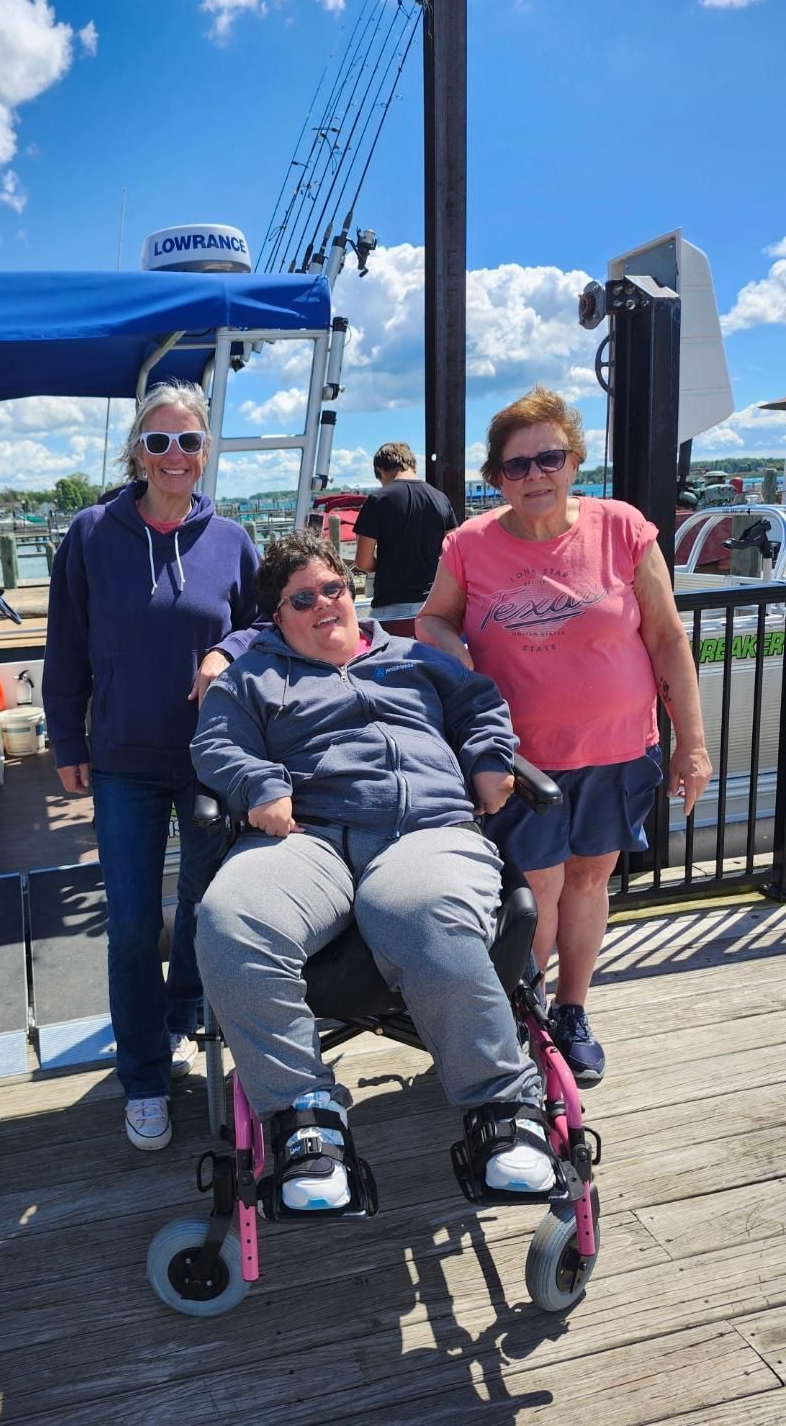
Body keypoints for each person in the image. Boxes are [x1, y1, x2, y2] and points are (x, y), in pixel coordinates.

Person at [192, 530, 555, 1214]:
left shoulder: (416, 659)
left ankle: (505, 1110)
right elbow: (216, 743)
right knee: (228, 918)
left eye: (335, 588)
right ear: (279, 617)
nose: (326, 604)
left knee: (414, 908)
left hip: (425, 829)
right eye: (304, 598)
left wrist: (488, 755)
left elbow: (480, 704)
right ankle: (307, 1120)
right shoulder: (251, 678)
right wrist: (259, 784)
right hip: (310, 836)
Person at [415, 386, 712, 1084]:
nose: (534, 476)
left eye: (548, 458)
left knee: (588, 879)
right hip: (524, 763)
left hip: (619, 748)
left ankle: (571, 1012)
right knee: (538, 890)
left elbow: (667, 637)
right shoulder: (469, 546)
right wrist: (449, 651)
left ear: (573, 461)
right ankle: (528, 1011)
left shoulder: (623, 529)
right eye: (516, 467)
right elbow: (431, 620)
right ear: (496, 480)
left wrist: (691, 743)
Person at [43, 381, 263, 1152]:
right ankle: (142, 1075)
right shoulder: (92, 533)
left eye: (190, 442)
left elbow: (262, 629)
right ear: (137, 449)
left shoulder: (233, 540)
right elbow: (64, 645)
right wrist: (66, 740)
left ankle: (178, 1023)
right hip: (124, 764)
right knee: (134, 925)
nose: (176, 456)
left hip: (212, 760)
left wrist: (222, 649)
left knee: (206, 916)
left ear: (206, 452)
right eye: (160, 442)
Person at [353, 441, 457, 636]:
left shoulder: (377, 500)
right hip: (434, 606)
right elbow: (452, 553)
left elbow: (362, 561)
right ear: (412, 465)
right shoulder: (440, 498)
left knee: (392, 665)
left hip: (391, 606)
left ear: (381, 470)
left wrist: (386, 564)